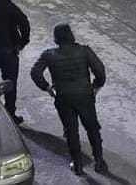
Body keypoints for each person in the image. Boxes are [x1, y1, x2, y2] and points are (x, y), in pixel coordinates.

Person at [31, 23, 107, 176]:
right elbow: (100, 70)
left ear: (56, 38)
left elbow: (35, 72)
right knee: (92, 128)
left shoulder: (49, 55)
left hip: (64, 98)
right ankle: (99, 161)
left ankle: (77, 164)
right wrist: (96, 86)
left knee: (71, 131)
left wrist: (47, 87)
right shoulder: (84, 51)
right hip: (85, 96)